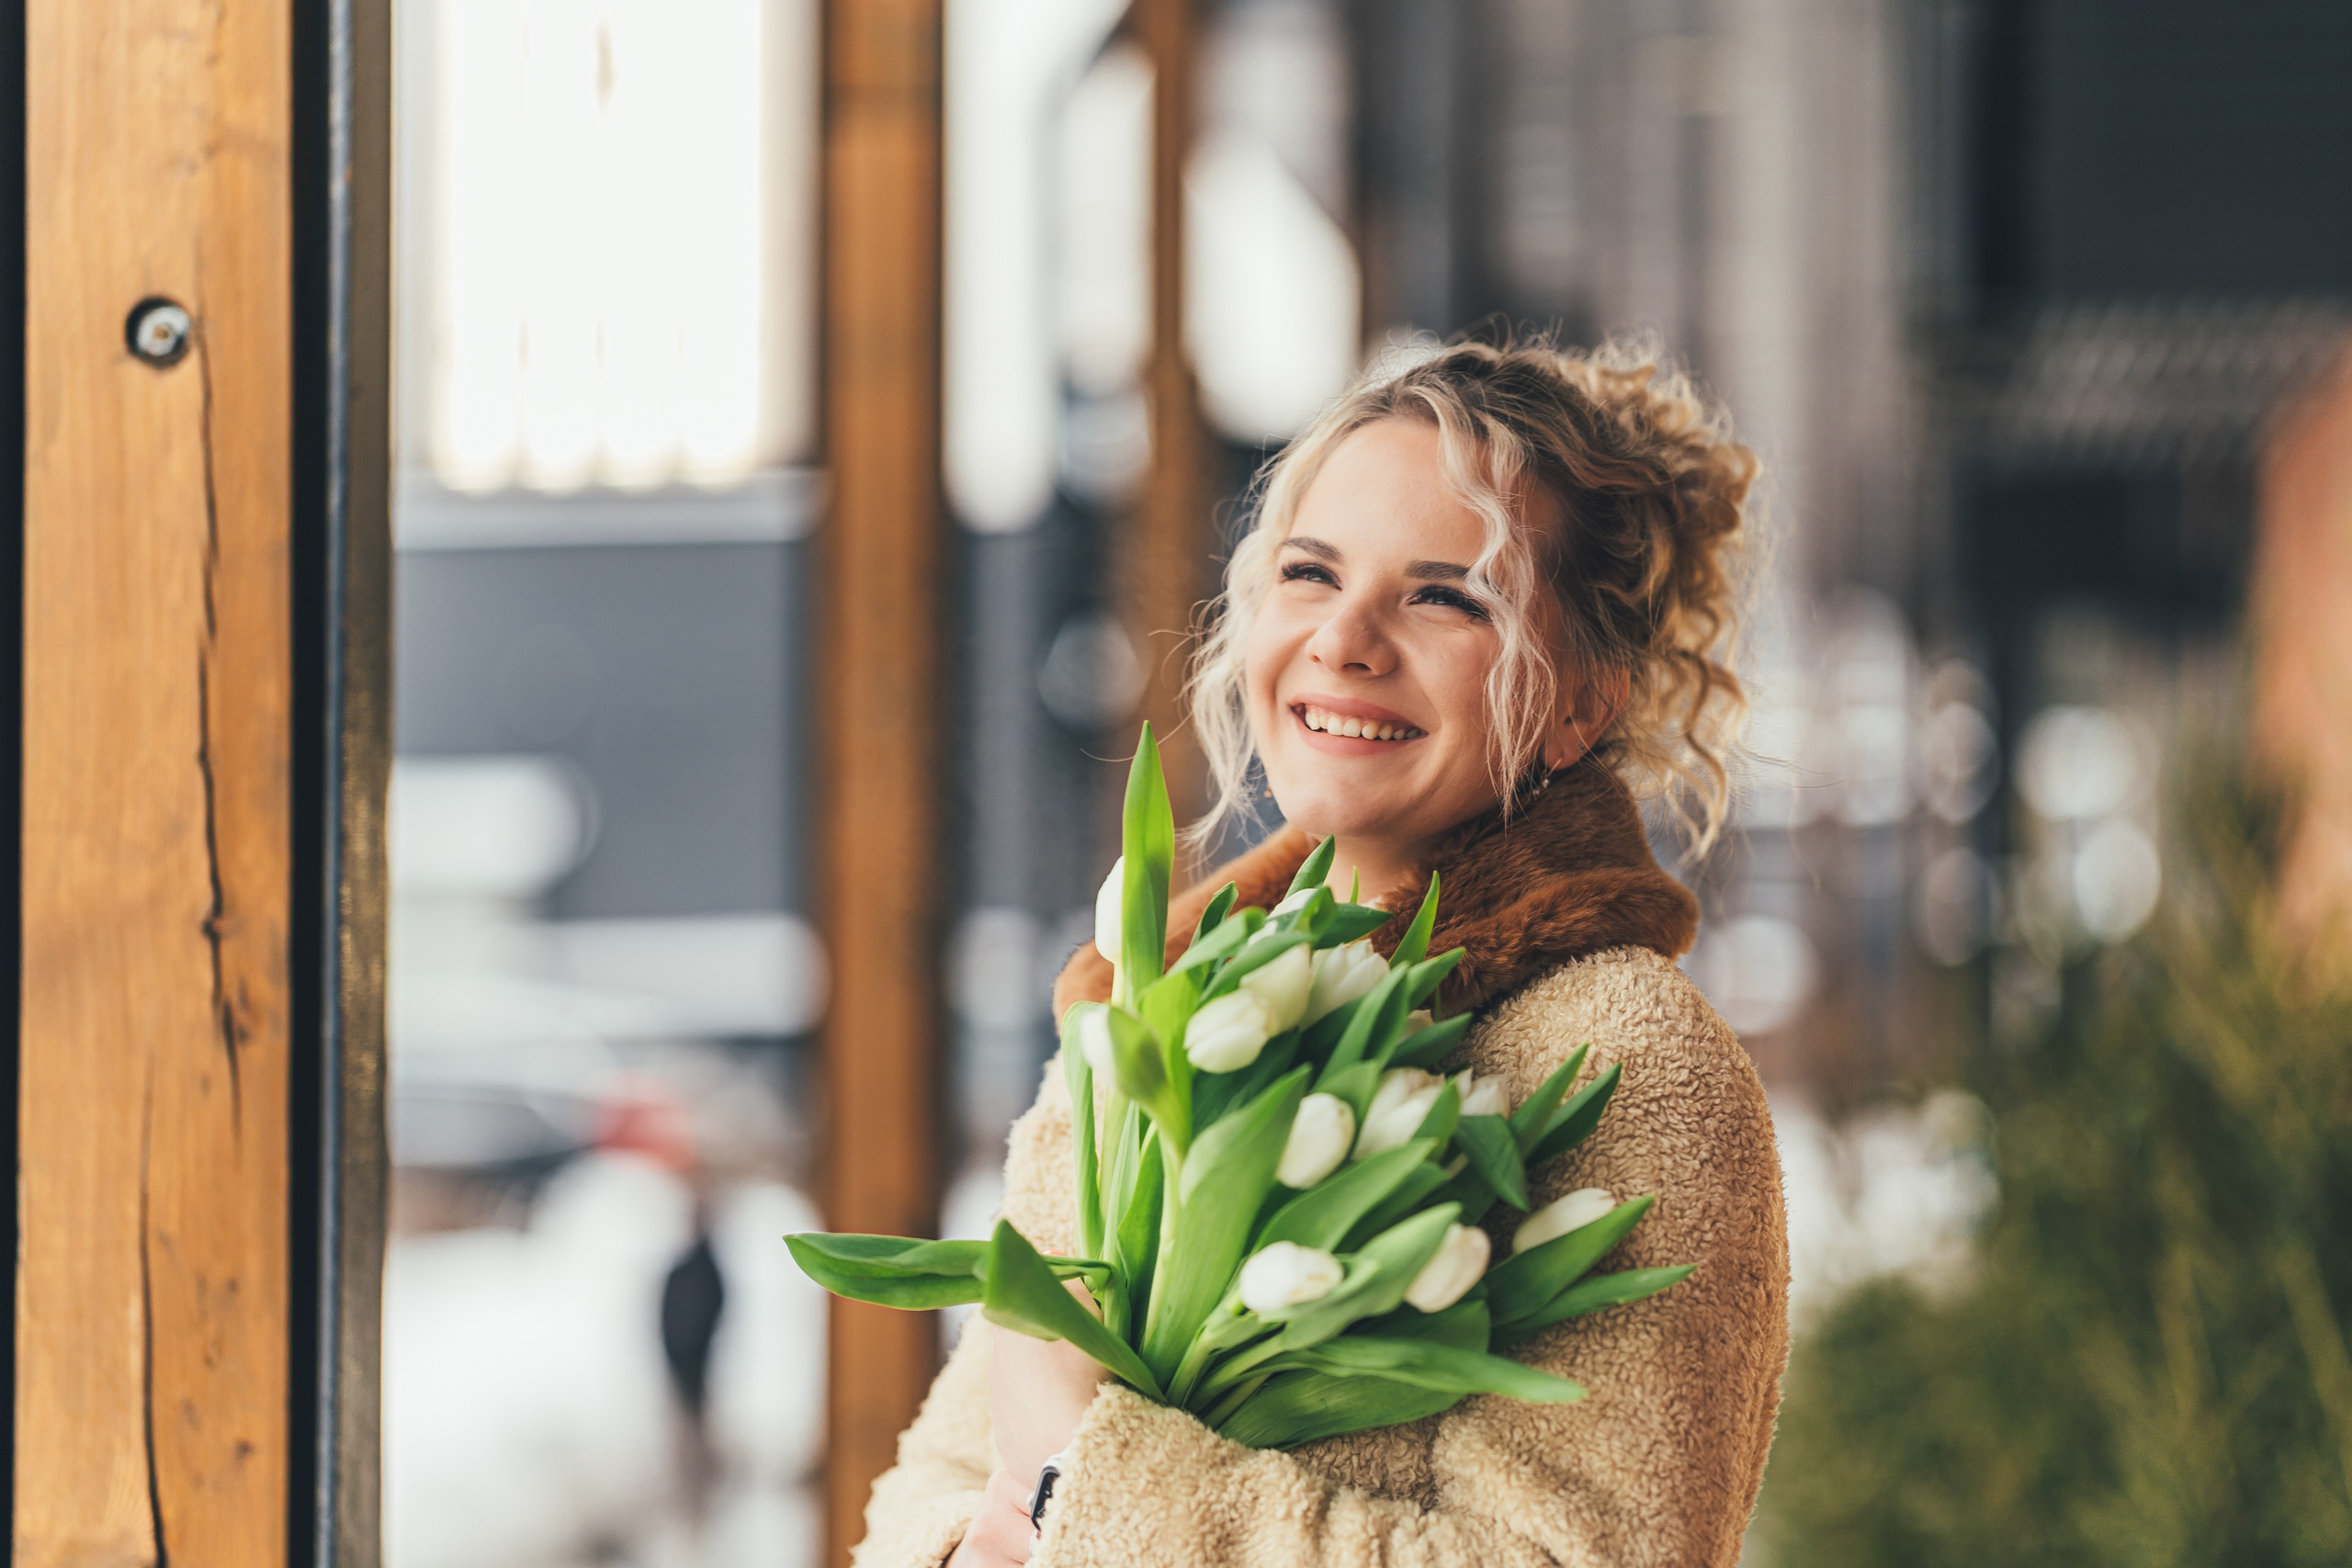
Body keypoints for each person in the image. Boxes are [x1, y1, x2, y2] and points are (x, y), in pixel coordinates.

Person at [861, 339, 1789, 1568]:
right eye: (1312, 574)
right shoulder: (1162, 1004)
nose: (1347, 639)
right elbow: (941, 1476)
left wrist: (1084, 1484)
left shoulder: (1627, 1066)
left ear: (1581, 702)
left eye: (1448, 595)